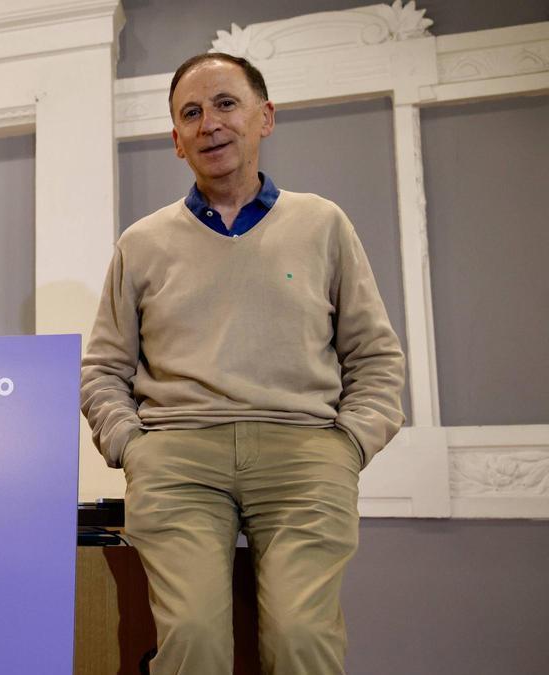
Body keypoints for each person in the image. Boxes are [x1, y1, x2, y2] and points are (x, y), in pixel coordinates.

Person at [80, 53, 404, 674]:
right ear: (176, 141)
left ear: (265, 117)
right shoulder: (142, 243)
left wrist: (349, 445)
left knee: (302, 640)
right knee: (193, 642)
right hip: (177, 458)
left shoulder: (322, 224)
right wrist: (131, 445)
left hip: (305, 454)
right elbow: (103, 369)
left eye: (226, 104)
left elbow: (375, 355)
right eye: (191, 114)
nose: (210, 124)